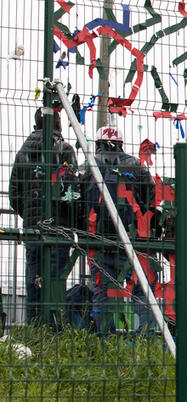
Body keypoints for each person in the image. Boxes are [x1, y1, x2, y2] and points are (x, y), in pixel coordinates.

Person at [83, 125, 156, 333]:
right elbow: (150, 199)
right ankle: (145, 337)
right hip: (133, 241)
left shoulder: (88, 166)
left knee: (103, 292)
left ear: (98, 144)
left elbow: (78, 201)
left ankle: (105, 340)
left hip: (99, 240)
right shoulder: (135, 165)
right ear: (120, 144)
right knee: (142, 289)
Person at [9, 108, 77, 325]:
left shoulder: (23, 153)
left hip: (32, 229)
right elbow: (73, 193)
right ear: (58, 124)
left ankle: (34, 331)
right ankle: (55, 333)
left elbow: (14, 195)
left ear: (36, 124)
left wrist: (30, 213)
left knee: (33, 282)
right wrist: (67, 218)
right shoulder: (65, 150)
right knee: (55, 283)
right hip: (58, 228)